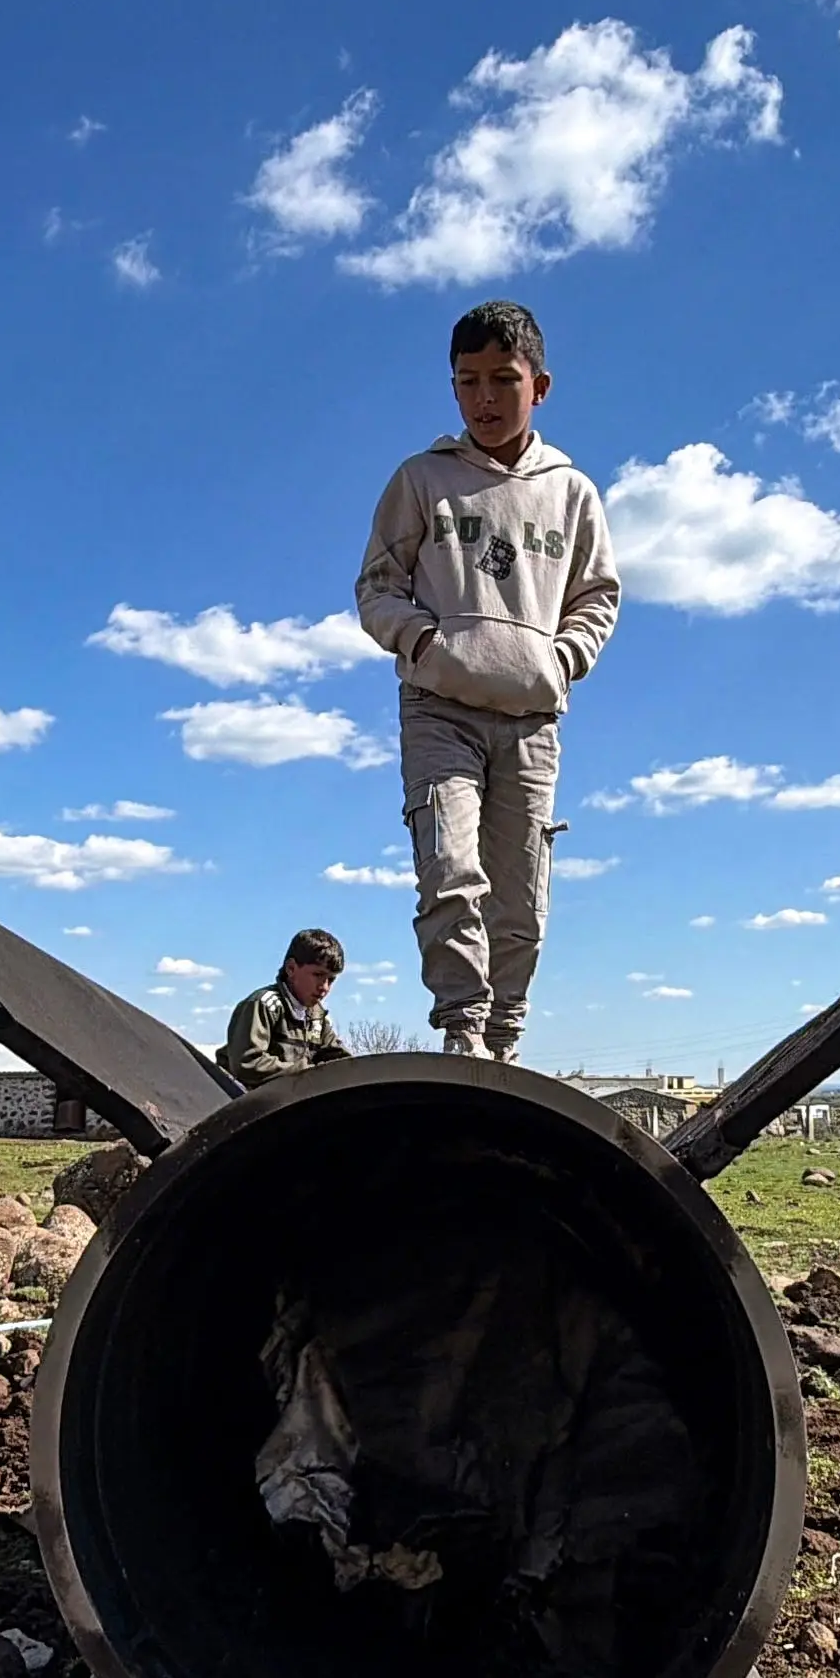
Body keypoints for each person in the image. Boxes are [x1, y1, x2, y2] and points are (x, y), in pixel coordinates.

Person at [355, 300, 620, 1062]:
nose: (485, 398)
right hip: (440, 709)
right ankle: (464, 1033)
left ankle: (505, 1043)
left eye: (504, 379)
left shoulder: (572, 492)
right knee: (449, 868)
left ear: (540, 384)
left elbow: (598, 594)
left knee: (523, 894)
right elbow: (377, 587)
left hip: (532, 720)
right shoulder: (421, 480)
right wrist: (427, 643)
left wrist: (561, 659)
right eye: (467, 381)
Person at [220, 928, 353, 1090]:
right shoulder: (265, 1005)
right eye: (318, 975)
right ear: (291, 969)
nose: (324, 987)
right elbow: (247, 1063)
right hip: (239, 1100)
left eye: (331, 980)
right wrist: (307, 1073)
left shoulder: (316, 1017)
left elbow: (340, 1061)